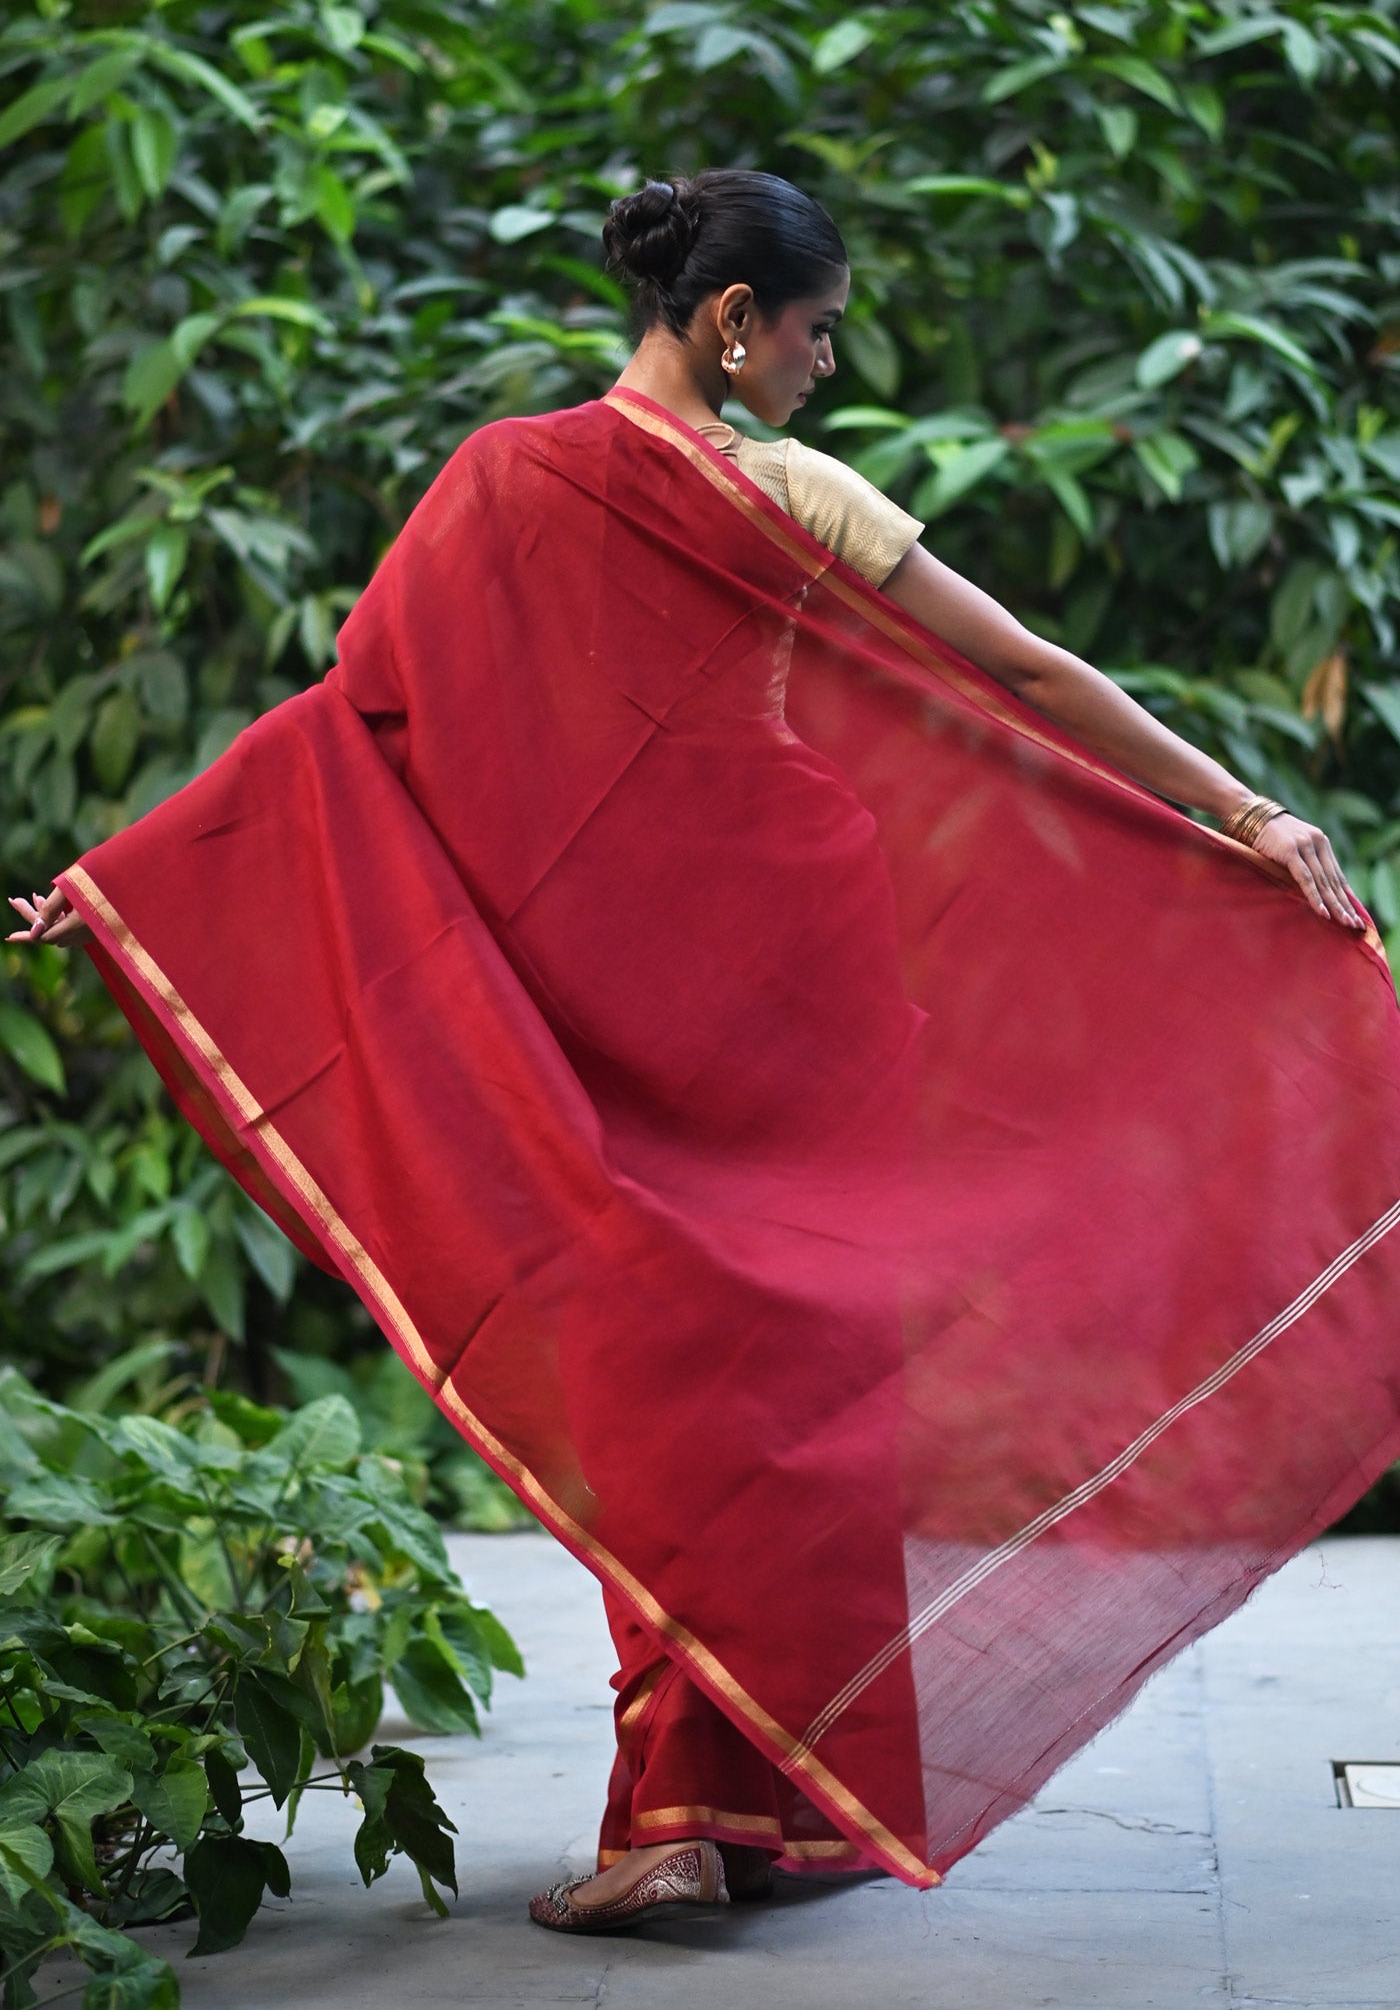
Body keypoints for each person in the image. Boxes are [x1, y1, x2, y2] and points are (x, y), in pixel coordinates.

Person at [11, 171, 1399, 1937]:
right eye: (815, 330)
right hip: (724, 977)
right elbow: (1030, 674)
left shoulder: (531, 480)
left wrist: (129, 877)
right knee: (765, 1393)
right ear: (736, 319)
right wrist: (117, 885)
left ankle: (708, 1807)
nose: (827, 363)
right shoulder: (704, 490)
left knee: (704, 1384)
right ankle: (708, 1803)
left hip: (757, 994)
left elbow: (337, 728)